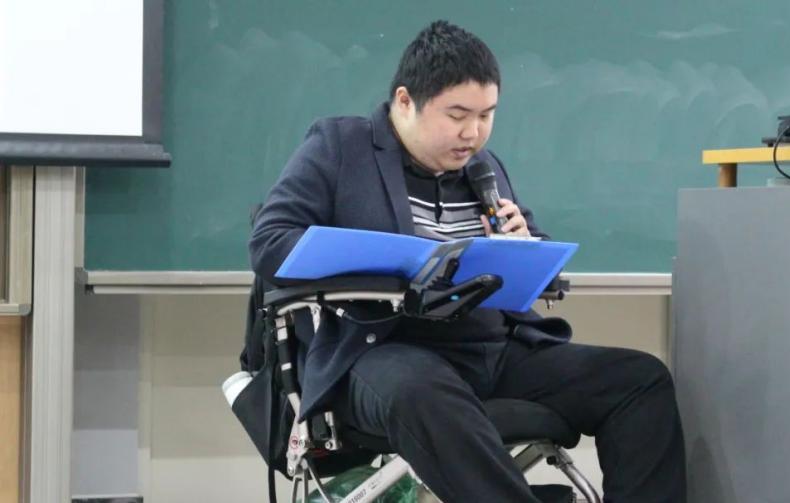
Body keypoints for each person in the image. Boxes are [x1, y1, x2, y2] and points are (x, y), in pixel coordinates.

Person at [250, 20, 685, 503]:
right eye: (457, 115)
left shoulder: (483, 168)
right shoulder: (340, 148)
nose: (473, 133)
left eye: (486, 115)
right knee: (425, 391)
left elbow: (539, 266)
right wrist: (381, 264)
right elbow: (270, 241)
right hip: (381, 352)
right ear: (405, 101)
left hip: (491, 349)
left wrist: (525, 247)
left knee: (638, 379)